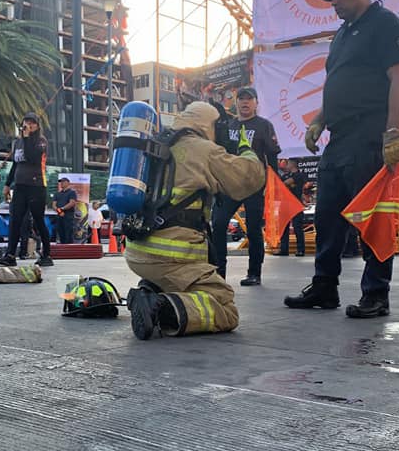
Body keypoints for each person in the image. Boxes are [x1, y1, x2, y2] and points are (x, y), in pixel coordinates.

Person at [284, 0, 399, 318]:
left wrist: (393, 132)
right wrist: (318, 120)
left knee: (372, 216)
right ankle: (325, 286)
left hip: (369, 132)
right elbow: (336, 82)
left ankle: (376, 294)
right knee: (326, 215)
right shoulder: (341, 35)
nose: (333, 2)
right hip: (338, 137)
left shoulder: (384, 24)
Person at [125, 101, 265, 340]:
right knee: (225, 309)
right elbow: (248, 179)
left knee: (176, 279)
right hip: (174, 257)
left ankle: (150, 289)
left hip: (137, 253)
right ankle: (161, 306)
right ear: (209, 125)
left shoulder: (155, 144)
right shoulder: (203, 150)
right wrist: (245, 148)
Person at [211, 86, 280, 286]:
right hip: (230, 184)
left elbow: (272, 156)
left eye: (249, 99)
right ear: (236, 102)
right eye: (241, 98)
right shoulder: (227, 125)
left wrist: (273, 184)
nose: (245, 102)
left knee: (253, 228)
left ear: (256, 103)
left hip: (253, 184)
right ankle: (218, 272)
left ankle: (254, 273)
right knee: (218, 224)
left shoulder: (263, 125)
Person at [0, 113, 53, 267]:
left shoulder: (41, 142)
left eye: (32, 123)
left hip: (36, 186)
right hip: (20, 186)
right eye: (27, 122)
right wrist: (7, 184)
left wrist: (28, 137)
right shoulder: (18, 143)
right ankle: (10, 254)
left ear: (37, 126)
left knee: (38, 220)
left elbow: (33, 157)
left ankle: (46, 254)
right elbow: (16, 164)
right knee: (15, 220)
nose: (29, 125)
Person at [278, 158, 306, 256]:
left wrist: (284, 183)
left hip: (295, 203)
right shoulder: (285, 175)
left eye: (288, 163)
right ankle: (284, 249)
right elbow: (280, 184)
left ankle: (300, 249)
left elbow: (284, 183)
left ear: (293, 164)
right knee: (284, 226)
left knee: (298, 227)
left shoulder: (299, 175)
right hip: (285, 203)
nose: (286, 165)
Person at [52, 176, 77, 244]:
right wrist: (59, 211)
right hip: (59, 215)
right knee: (60, 232)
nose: (61, 183)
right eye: (61, 182)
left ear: (68, 183)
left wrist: (62, 209)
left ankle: (69, 248)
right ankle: (62, 247)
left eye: (63, 182)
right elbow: (54, 204)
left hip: (68, 215)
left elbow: (72, 203)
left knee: (68, 232)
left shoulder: (72, 192)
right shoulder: (57, 193)